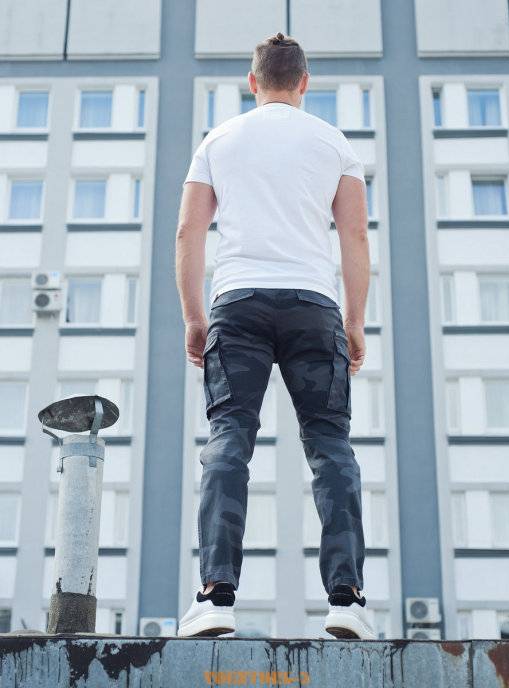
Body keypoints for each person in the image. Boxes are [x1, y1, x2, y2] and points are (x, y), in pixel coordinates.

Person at [175, 31, 376, 640]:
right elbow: (355, 237)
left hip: (238, 304)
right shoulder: (333, 142)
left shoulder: (219, 140)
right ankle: (346, 601)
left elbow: (188, 233)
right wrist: (354, 321)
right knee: (330, 445)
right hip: (313, 305)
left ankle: (215, 598)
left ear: (252, 81)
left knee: (229, 441)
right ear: (305, 83)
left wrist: (194, 318)